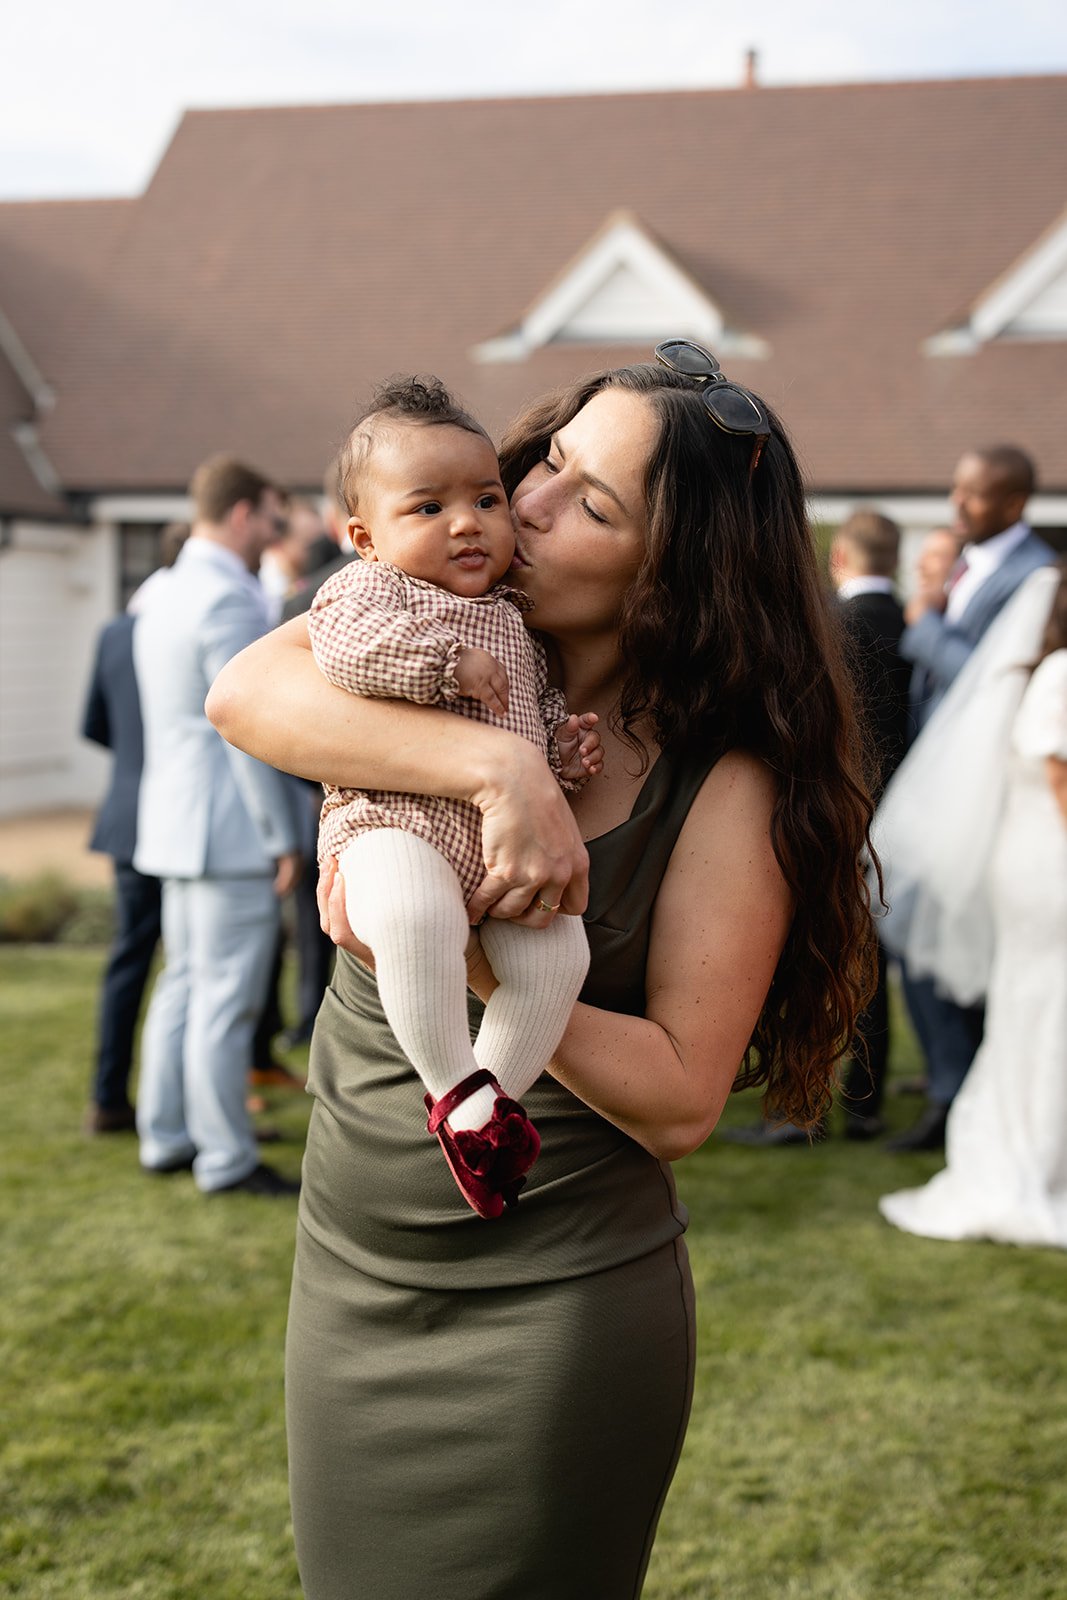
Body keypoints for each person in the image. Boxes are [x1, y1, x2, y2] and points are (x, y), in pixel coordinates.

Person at [207, 340, 875, 1598]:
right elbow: (243, 691)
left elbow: (682, 1096)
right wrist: (501, 772)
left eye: (592, 503)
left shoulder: (722, 777)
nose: (526, 503)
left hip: (550, 1307)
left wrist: (457, 948)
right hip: (351, 1271)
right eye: (551, 461)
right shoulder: (424, 617)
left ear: (671, 574)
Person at [307, 376, 600, 1216]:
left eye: (485, 499)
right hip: (390, 824)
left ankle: (483, 1114)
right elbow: (347, 654)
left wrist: (564, 750)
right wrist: (440, 664)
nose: (467, 523)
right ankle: (451, 1082)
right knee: (413, 920)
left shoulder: (512, 616)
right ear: (365, 537)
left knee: (557, 959)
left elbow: (530, 717)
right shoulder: (369, 590)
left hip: (493, 847)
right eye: (428, 509)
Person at [878, 560, 1067, 1245]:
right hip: (1048, 867)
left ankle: (1042, 1157)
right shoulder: (1059, 675)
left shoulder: (1039, 673)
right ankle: (1031, 1162)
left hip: (1033, 859)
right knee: (1045, 1006)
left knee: (1039, 1006)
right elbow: (1061, 788)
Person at [133, 454, 305, 1197]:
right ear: (241, 514)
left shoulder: (163, 589)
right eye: (271, 516)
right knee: (225, 999)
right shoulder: (228, 599)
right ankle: (226, 1157)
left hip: (172, 820)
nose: (275, 532)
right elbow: (247, 729)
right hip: (229, 827)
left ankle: (165, 1135)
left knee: (185, 986)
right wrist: (280, 834)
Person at [724, 508, 910, 1147]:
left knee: (816, 959)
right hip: (900, 812)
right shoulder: (905, 626)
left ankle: (802, 1111)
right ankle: (864, 1106)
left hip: (842, 811)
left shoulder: (833, 626)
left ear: (840, 559)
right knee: (869, 963)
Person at [889, 446, 1055, 1152]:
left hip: (991, 786)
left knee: (949, 930)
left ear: (1014, 504)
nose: (958, 506)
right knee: (917, 928)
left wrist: (922, 625)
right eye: (955, 491)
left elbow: (989, 678)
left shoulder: (1035, 574)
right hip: (939, 778)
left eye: (975, 496)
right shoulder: (970, 561)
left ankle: (960, 1088)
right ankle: (950, 1080)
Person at [81, 522, 191, 1135]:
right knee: (192, 971)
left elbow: (93, 724)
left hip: (128, 812)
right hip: (183, 818)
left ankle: (109, 1095)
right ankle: (172, 1112)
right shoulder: (189, 625)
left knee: (130, 958)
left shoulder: (115, 633)